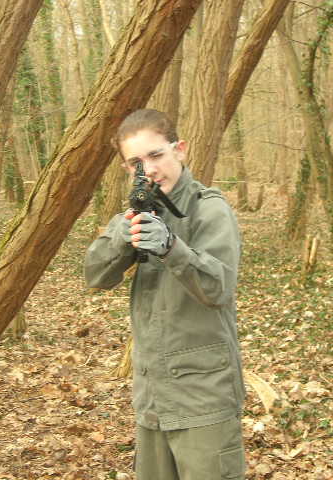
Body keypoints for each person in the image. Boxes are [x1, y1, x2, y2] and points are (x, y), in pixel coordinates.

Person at [84, 109, 245, 480]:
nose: (149, 170)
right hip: (153, 397)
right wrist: (123, 237)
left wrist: (172, 247)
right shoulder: (137, 212)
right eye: (136, 163)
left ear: (180, 150)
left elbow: (218, 288)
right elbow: (95, 276)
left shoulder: (209, 210)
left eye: (156, 155)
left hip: (204, 397)